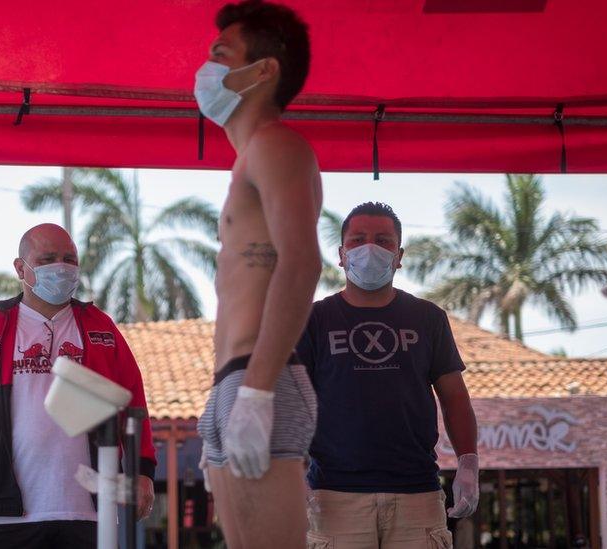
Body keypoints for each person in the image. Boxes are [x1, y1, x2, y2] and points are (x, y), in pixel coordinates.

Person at [0, 223, 157, 549]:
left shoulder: (100, 326)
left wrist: (143, 471)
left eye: (70, 258)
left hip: (93, 515)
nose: (63, 267)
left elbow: (133, 402)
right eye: (48, 258)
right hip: (9, 515)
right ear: (20, 268)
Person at [193, 2, 322, 548]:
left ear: (263, 70)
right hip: (234, 381)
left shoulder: (276, 145)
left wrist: (258, 393)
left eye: (222, 54)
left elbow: (301, 263)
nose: (207, 68)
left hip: (257, 378)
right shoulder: (248, 159)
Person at [296, 202, 480, 549]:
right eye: (358, 240)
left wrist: (468, 462)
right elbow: (293, 401)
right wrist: (290, 471)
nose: (370, 249)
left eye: (383, 241)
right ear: (341, 253)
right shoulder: (314, 320)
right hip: (335, 496)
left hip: (417, 495)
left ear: (399, 255)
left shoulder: (428, 318)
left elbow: (455, 397)